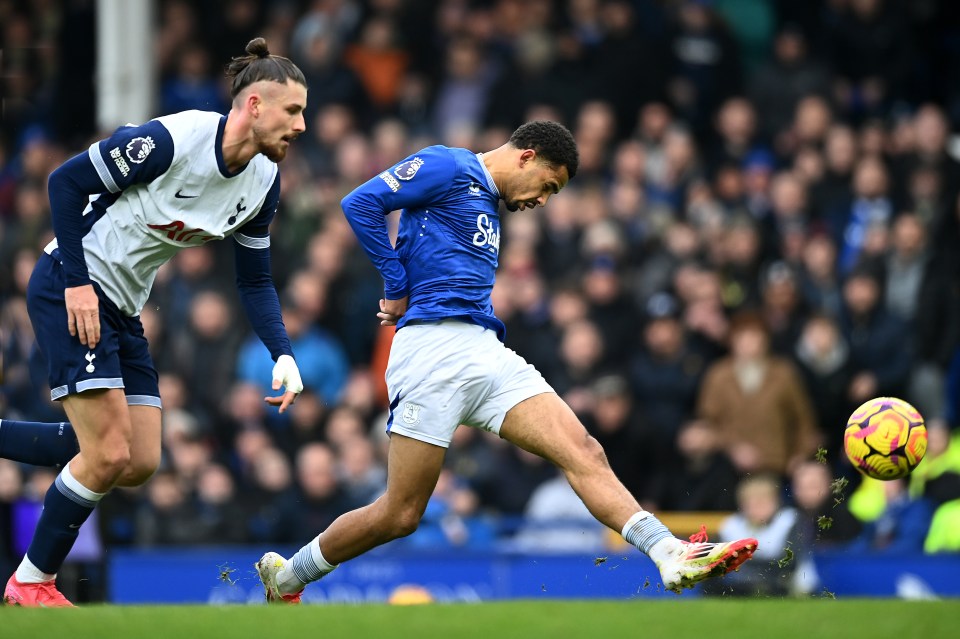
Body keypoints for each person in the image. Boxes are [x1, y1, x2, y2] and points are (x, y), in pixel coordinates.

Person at [255, 120, 758, 603]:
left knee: (584, 450)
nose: (543, 200)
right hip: (430, 354)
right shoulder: (448, 165)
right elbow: (360, 202)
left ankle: (668, 552)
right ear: (526, 156)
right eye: (548, 185)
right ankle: (290, 574)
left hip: (484, 350)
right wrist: (396, 284)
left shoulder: (491, 205)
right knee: (401, 514)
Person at [0, 38, 307, 606]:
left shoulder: (264, 181)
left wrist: (282, 353)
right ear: (255, 105)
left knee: (137, 460)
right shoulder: (173, 140)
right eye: (293, 111)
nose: (302, 125)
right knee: (108, 453)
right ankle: (31, 581)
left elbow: (255, 281)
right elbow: (64, 182)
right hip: (73, 287)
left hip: (123, 304)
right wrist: (76, 282)